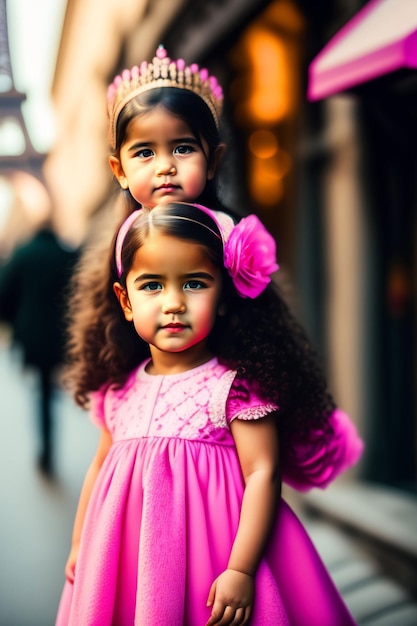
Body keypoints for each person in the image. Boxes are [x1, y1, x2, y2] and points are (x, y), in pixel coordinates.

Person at [56, 202, 363, 625]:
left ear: (223, 297)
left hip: (217, 557)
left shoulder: (233, 386)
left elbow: (263, 473)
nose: (173, 303)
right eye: (151, 286)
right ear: (125, 301)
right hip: (130, 560)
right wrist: (80, 543)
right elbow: (99, 468)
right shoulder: (119, 390)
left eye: (195, 283)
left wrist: (241, 569)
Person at [0, 224, 80, 475]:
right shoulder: (67, 255)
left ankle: (45, 448)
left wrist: (14, 324)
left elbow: (4, 294)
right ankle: (48, 443)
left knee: (43, 389)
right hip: (62, 336)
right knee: (48, 386)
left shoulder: (23, 254)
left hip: (32, 335)